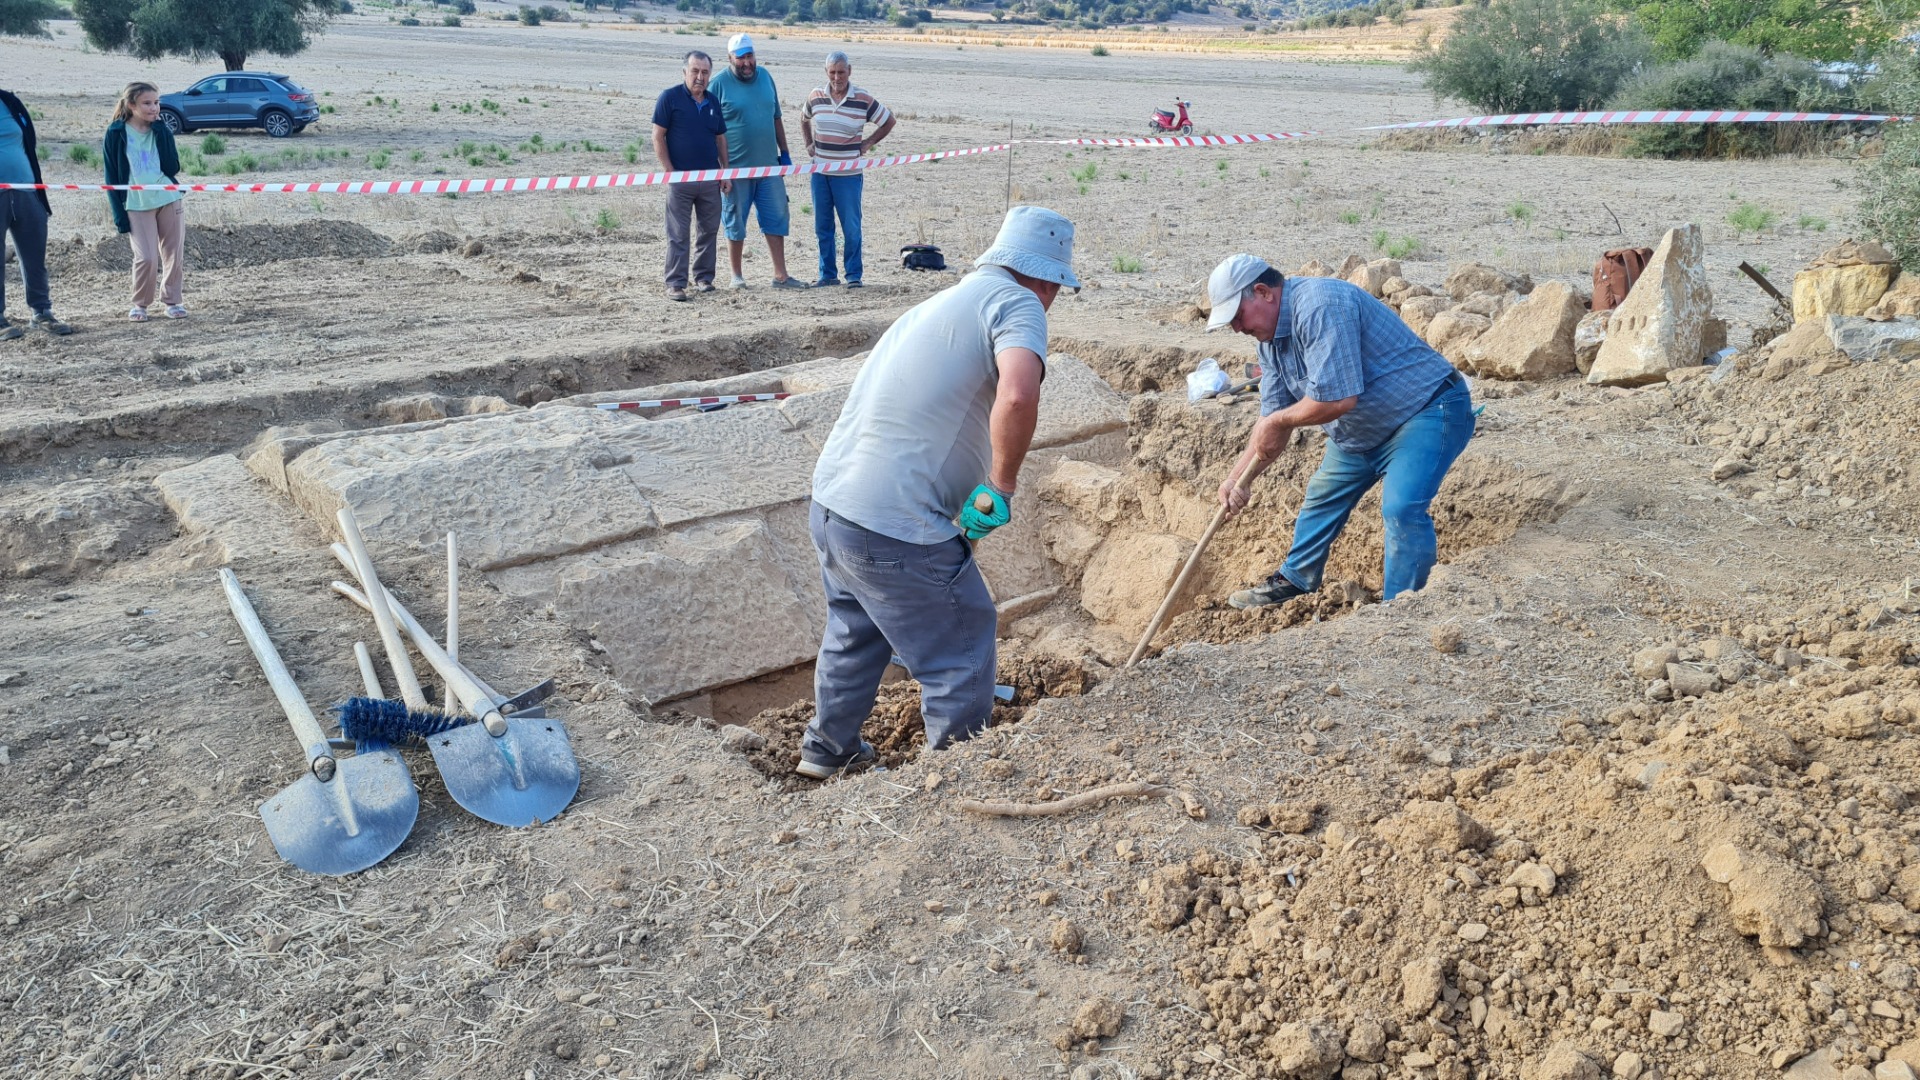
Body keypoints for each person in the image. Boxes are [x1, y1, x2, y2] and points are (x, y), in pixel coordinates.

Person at [799, 206, 1079, 779]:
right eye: (1057, 289)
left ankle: (827, 753)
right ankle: (951, 786)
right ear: (1047, 279)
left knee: (856, 632)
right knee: (961, 647)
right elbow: (1020, 394)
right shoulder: (1017, 302)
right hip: (896, 522)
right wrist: (1000, 483)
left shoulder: (934, 305)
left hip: (835, 506)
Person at [1206, 253, 1474, 608]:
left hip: (1425, 410)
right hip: (1361, 430)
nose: (1237, 328)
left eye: (1238, 316)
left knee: (1401, 508)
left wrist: (1278, 421)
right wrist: (1236, 479)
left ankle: (1402, 610)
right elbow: (1270, 421)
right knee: (1321, 496)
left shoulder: (1319, 305)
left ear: (1263, 292)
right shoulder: (1270, 343)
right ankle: (1295, 579)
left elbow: (1338, 400)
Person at [708, 33, 805, 290]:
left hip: (769, 167)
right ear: (730, 58)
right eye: (741, 58)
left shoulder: (766, 77)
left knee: (777, 217)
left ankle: (781, 276)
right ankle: (737, 277)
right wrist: (721, 169)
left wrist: (784, 153)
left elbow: (776, 117)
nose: (747, 63)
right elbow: (710, 129)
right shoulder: (717, 84)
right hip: (735, 169)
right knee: (735, 220)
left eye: (750, 56)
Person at [799, 51, 894, 289]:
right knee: (823, 227)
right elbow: (803, 118)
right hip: (820, 174)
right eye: (832, 72)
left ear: (849, 71)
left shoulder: (862, 99)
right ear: (826, 73)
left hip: (849, 176)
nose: (837, 77)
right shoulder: (815, 96)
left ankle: (853, 275)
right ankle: (827, 274)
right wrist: (808, 144)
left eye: (841, 72)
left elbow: (889, 121)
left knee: (851, 227)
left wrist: (868, 143)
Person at [104, 82, 187, 322]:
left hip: (169, 198)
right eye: (147, 103)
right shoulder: (116, 132)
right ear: (131, 105)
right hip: (135, 203)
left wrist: (162, 132)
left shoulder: (161, 129)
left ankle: (173, 301)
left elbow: (172, 167)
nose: (154, 108)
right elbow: (111, 177)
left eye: (156, 102)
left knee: (173, 254)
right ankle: (140, 304)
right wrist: (118, 213)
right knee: (146, 257)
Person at [651, 51, 731, 302]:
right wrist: (670, 172)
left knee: (709, 231)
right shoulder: (669, 98)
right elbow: (657, 136)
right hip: (680, 181)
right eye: (695, 71)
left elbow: (720, 139)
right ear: (684, 72)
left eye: (705, 72)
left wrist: (724, 172)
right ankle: (676, 283)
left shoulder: (713, 101)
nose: (700, 77)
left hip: (709, 181)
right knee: (678, 233)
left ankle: (704, 278)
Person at [0, 89, 74, 341]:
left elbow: (28, 142)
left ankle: (42, 312)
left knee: (34, 258)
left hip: (27, 190)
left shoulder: (9, 102)